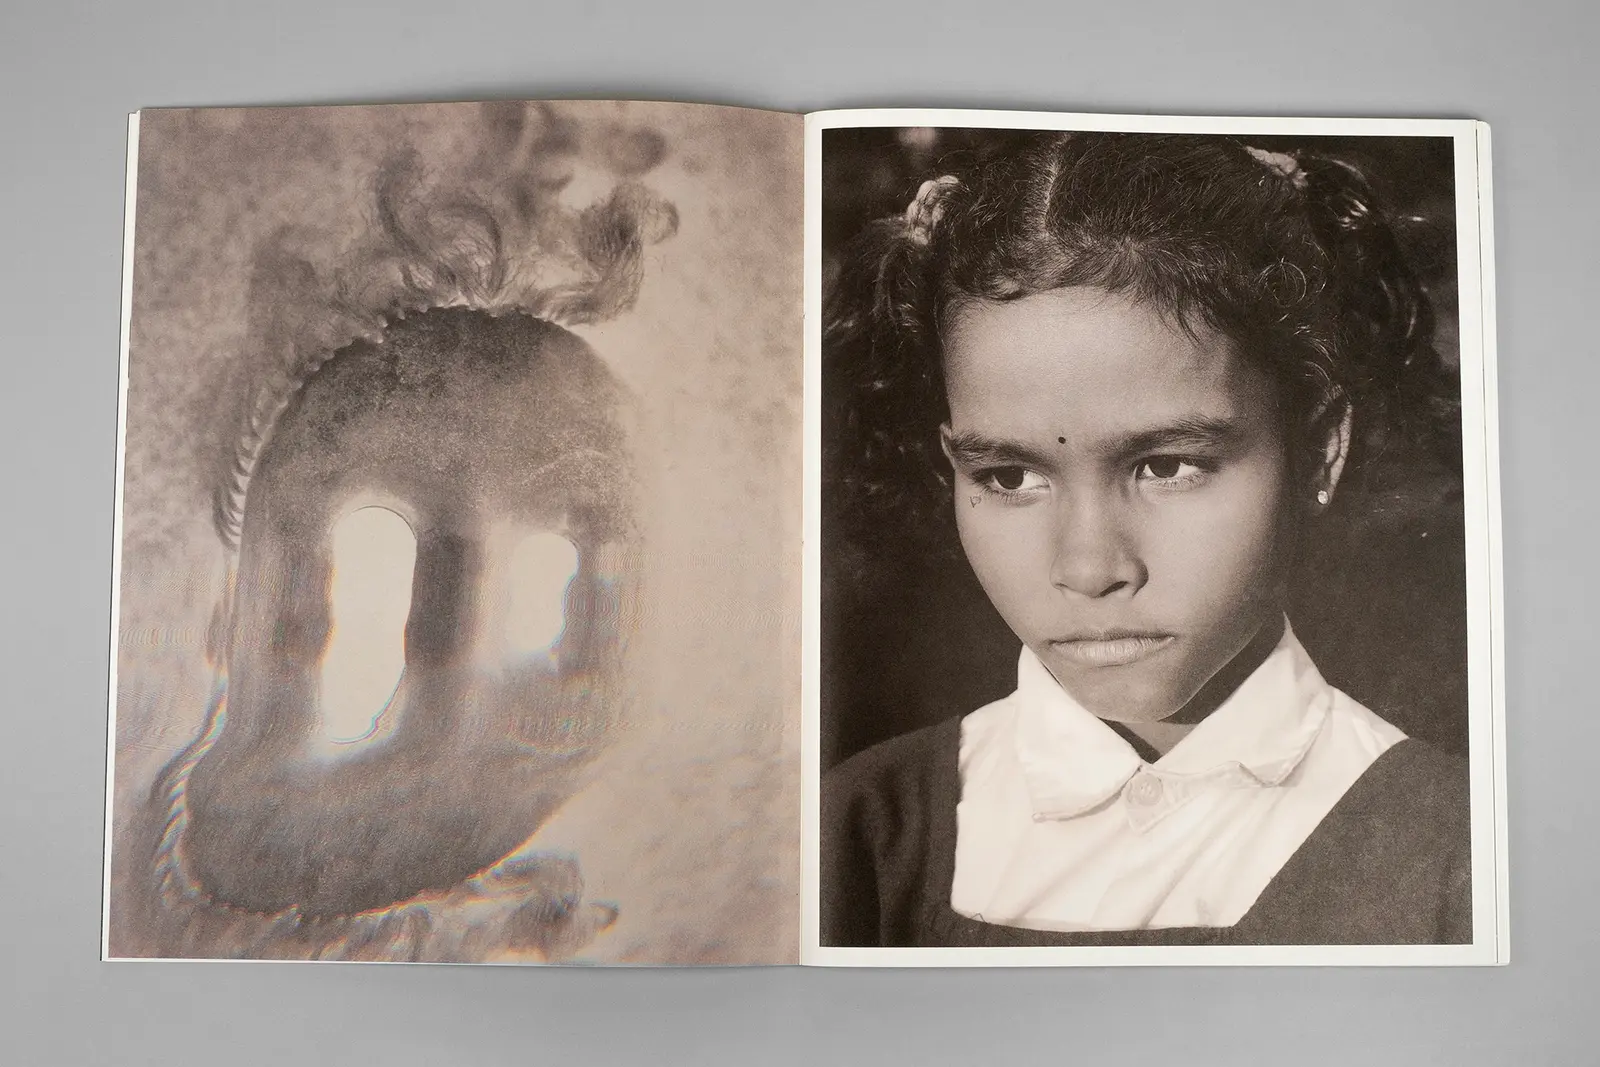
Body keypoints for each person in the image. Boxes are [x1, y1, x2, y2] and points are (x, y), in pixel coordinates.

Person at [820, 132, 1471, 947]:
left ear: (1320, 449)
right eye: (1010, 478)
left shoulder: (1463, 859)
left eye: (1167, 465)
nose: (1090, 569)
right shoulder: (852, 840)